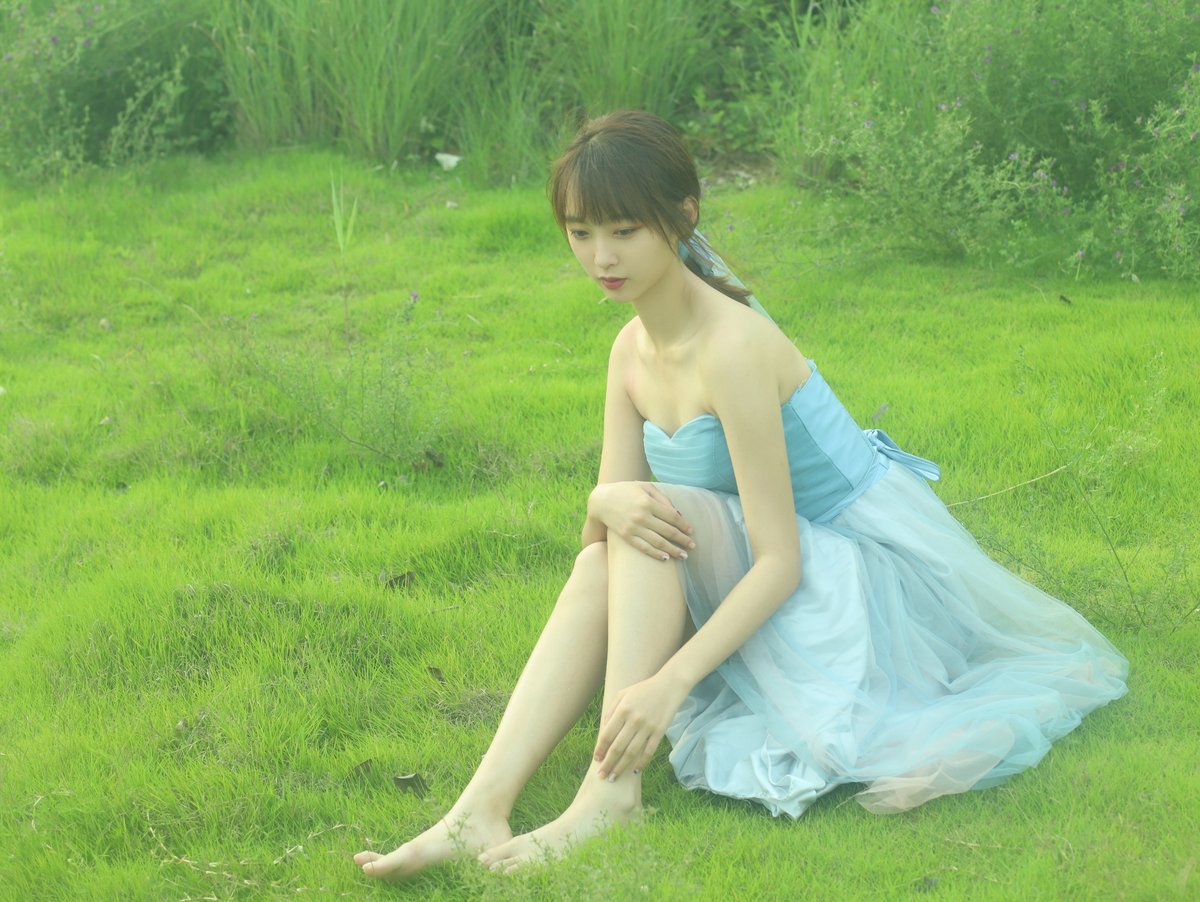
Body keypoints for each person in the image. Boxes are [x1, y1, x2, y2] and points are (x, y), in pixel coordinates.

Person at [354, 110, 1128, 880]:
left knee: (652, 514)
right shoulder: (629, 350)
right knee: (623, 531)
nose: (601, 257)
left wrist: (671, 681)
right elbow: (601, 545)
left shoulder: (733, 349)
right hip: (749, 558)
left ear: (683, 216)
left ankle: (607, 796)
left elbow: (780, 560)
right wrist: (600, 503)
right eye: (581, 232)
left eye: (624, 231)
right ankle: (477, 811)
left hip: (849, 571)